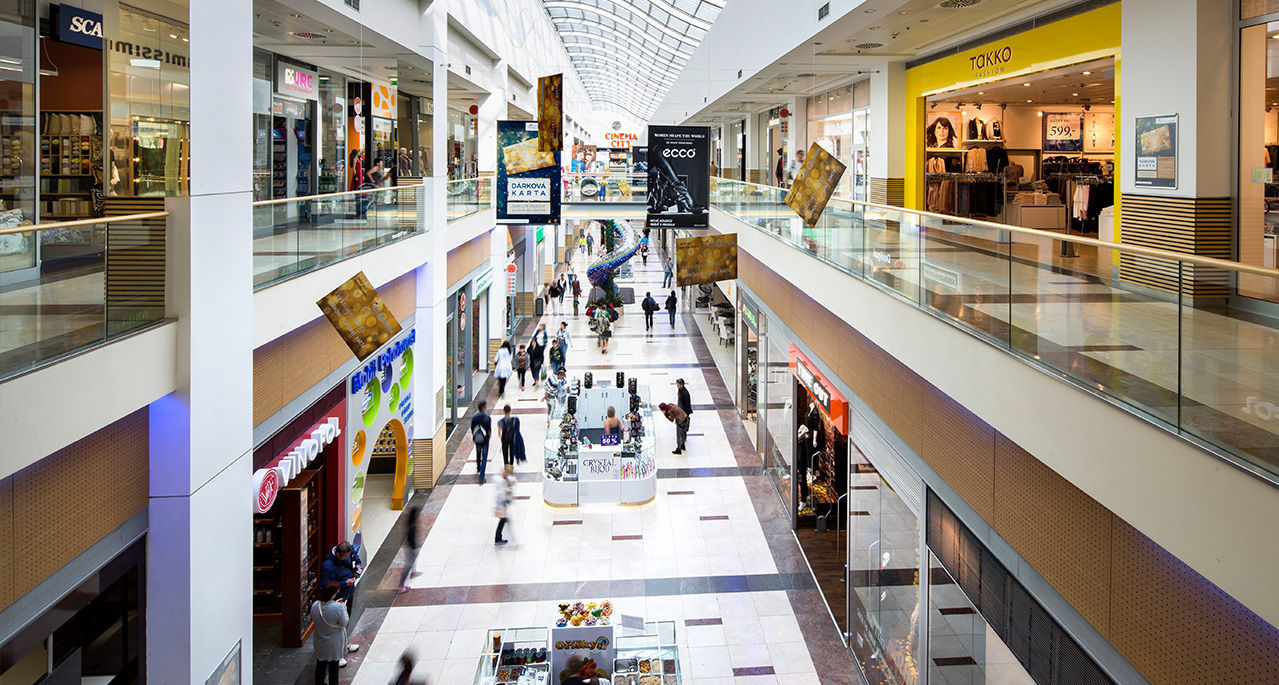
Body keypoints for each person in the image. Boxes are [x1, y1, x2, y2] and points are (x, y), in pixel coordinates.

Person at [319, 542, 363, 660]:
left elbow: (354, 553)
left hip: (347, 594)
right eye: (345, 557)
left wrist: (358, 564)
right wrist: (344, 583)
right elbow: (324, 586)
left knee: (345, 621)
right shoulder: (328, 567)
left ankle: (344, 645)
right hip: (338, 598)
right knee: (337, 626)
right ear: (337, 554)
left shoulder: (347, 551)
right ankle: (337, 653)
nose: (347, 558)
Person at [310, 582, 349, 683]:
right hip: (333, 644)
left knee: (320, 666)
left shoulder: (315, 605)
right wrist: (343, 607)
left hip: (319, 642)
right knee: (333, 669)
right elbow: (344, 623)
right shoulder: (338, 608)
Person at [396, 505, 424, 594]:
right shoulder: (412, 526)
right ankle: (401, 586)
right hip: (411, 547)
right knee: (408, 564)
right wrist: (414, 547)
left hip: (410, 547)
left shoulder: (410, 523)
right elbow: (411, 539)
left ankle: (414, 572)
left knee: (412, 561)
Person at [494, 464, 516, 545]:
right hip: (501, 504)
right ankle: (498, 538)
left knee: (503, 520)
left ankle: (498, 537)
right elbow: (501, 493)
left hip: (503, 503)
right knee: (503, 520)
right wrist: (507, 488)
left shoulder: (505, 479)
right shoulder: (501, 480)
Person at [471, 402, 492, 484]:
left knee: (478, 452)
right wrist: (489, 437)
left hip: (477, 438)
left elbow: (472, 429)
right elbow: (489, 430)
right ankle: (481, 477)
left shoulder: (474, 418)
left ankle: (478, 467)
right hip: (485, 439)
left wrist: (475, 436)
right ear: (483, 408)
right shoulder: (487, 418)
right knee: (484, 457)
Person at [675, 378, 693, 454]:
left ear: (681, 385)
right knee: (682, 430)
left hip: (682, 414)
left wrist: (684, 414)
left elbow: (687, 405)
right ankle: (682, 444)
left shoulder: (685, 393)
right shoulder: (681, 391)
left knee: (679, 431)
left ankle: (679, 448)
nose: (677, 386)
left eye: (678, 385)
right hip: (680, 412)